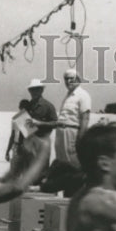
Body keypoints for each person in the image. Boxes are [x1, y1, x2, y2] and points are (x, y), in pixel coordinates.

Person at [40, 68, 91, 197]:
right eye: (66, 79)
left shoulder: (83, 95)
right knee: (62, 163)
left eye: (71, 78)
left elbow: (85, 118)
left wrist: (80, 138)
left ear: (78, 80)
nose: (69, 81)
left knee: (72, 165)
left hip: (72, 131)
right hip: (61, 131)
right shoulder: (68, 96)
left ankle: (73, 195)